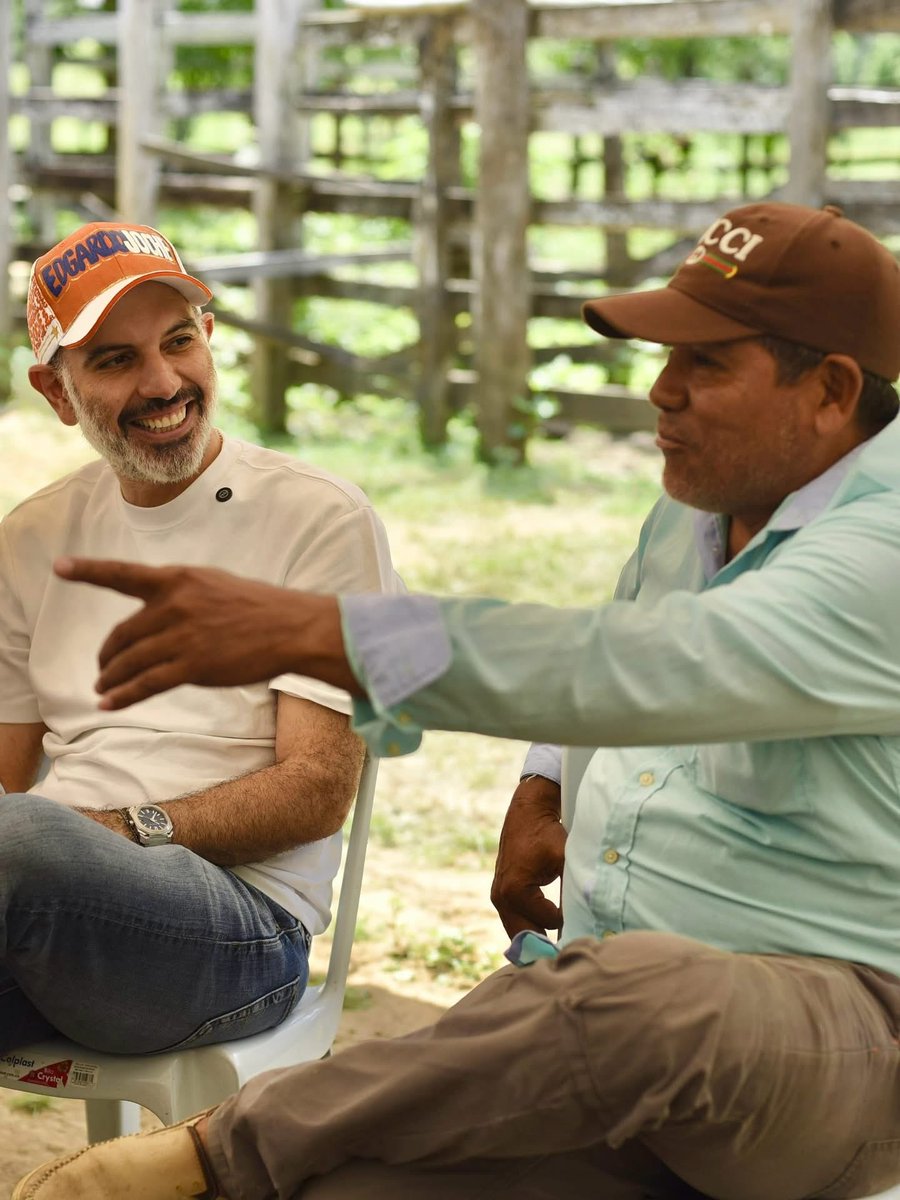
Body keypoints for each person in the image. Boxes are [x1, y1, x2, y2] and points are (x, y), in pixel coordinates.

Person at [13, 201, 900, 1200]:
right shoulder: (700, 504)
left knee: (636, 996)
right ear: (56, 392)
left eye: (706, 365)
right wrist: (541, 782)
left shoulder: (883, 547)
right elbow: (622, 632)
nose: (662, 390)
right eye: (665, 356)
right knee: (349, 1186)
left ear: (827, 391)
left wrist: (324, 633)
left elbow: (652, 664)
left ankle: (209, 1152)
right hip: (609, 1043)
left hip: (833, 1039)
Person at [0, 221, 399, 1060]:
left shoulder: (318, 518)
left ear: (208, 338)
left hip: (238, 931)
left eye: (179, 342)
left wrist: (114, 831)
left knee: (23, 838)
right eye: (115, 360)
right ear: (57, 392)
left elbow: (317, 790)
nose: (164, 382)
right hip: (43, 914)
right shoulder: (32, 536)